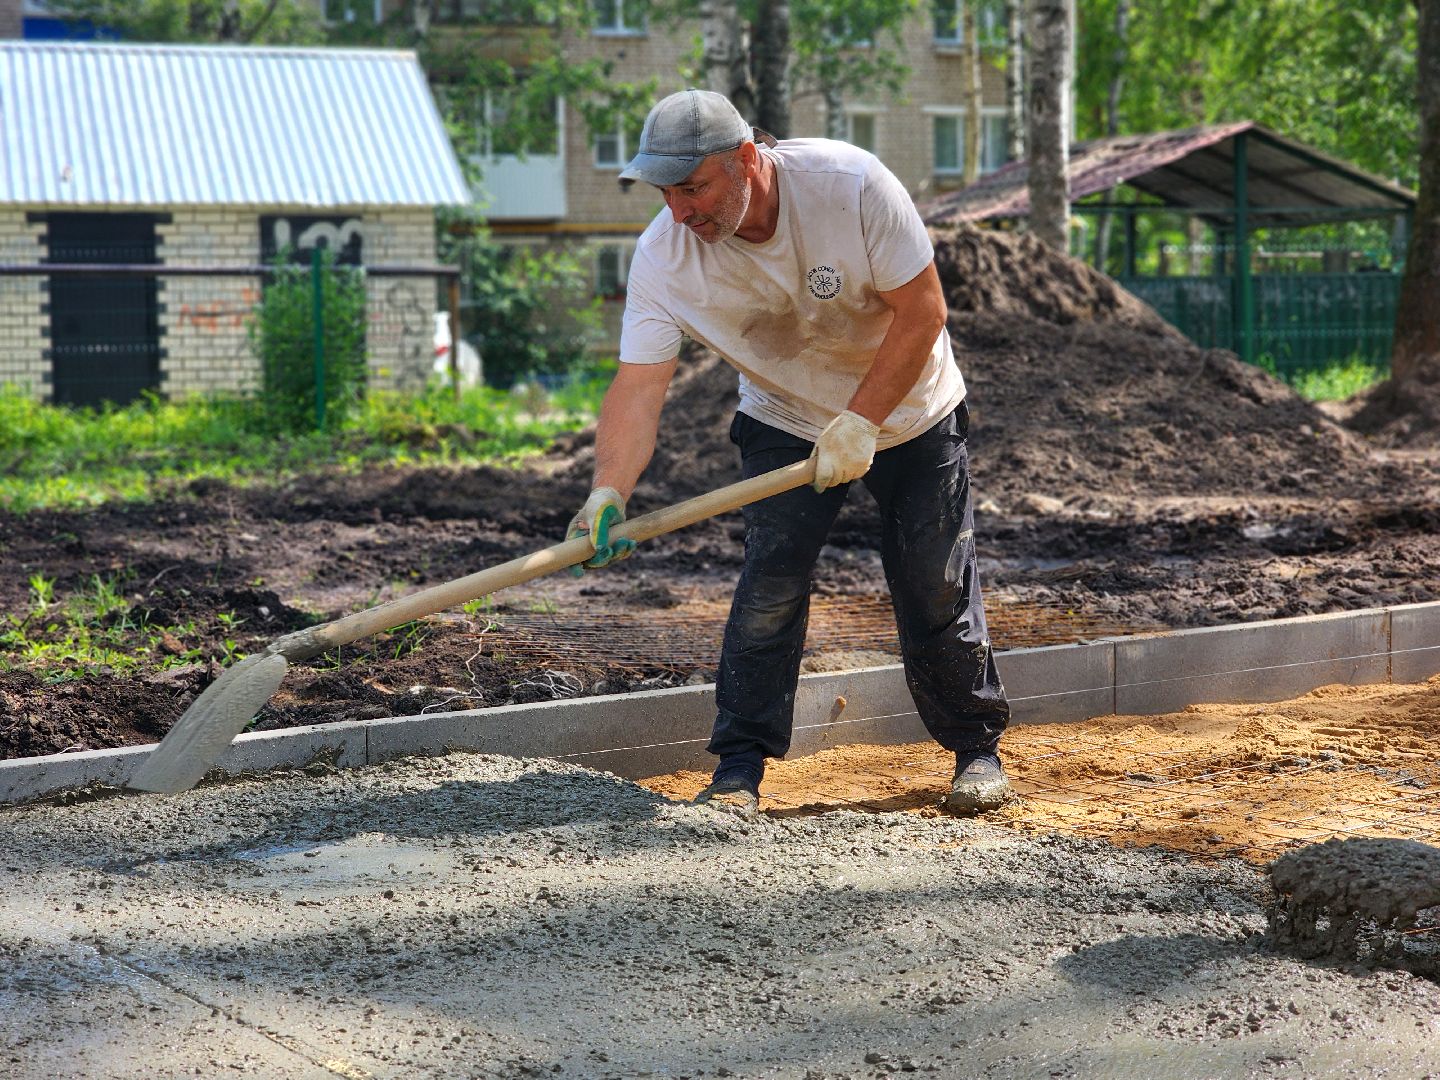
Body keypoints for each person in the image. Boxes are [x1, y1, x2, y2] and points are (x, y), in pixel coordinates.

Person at [567, 88, 1011, 817]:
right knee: (770, 583)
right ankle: (738, 767)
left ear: (747, 160)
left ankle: (976, 750)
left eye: (692, 187)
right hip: (783, 415)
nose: (679, 211)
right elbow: (639, 386)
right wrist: (607, 490)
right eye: (665, 192)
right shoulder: (664, 257)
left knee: (932, 579)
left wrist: (862, 420)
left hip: (908, 408)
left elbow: (925, 309)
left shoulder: (851, 185)